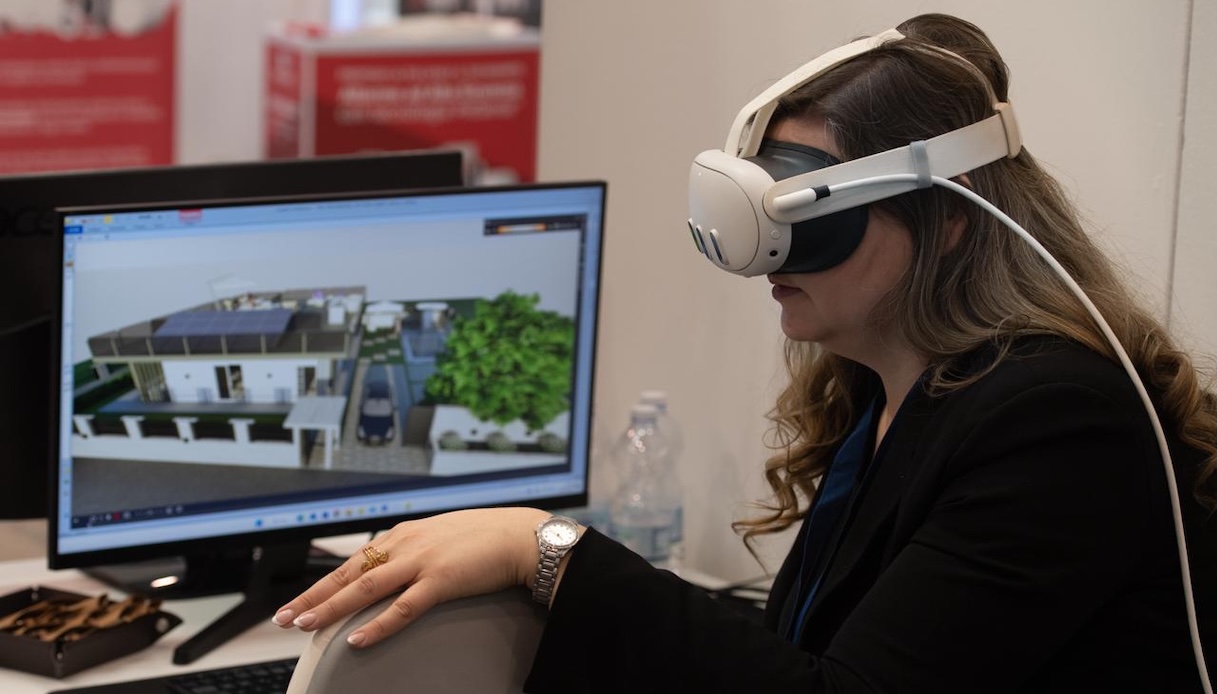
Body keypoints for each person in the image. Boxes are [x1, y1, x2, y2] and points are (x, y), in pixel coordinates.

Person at [272, 14, 1217, 692]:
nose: (762, 255)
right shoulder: (888, 393)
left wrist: (547, 549)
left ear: (949, 219)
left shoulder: (1058, 421)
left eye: (802, 216)